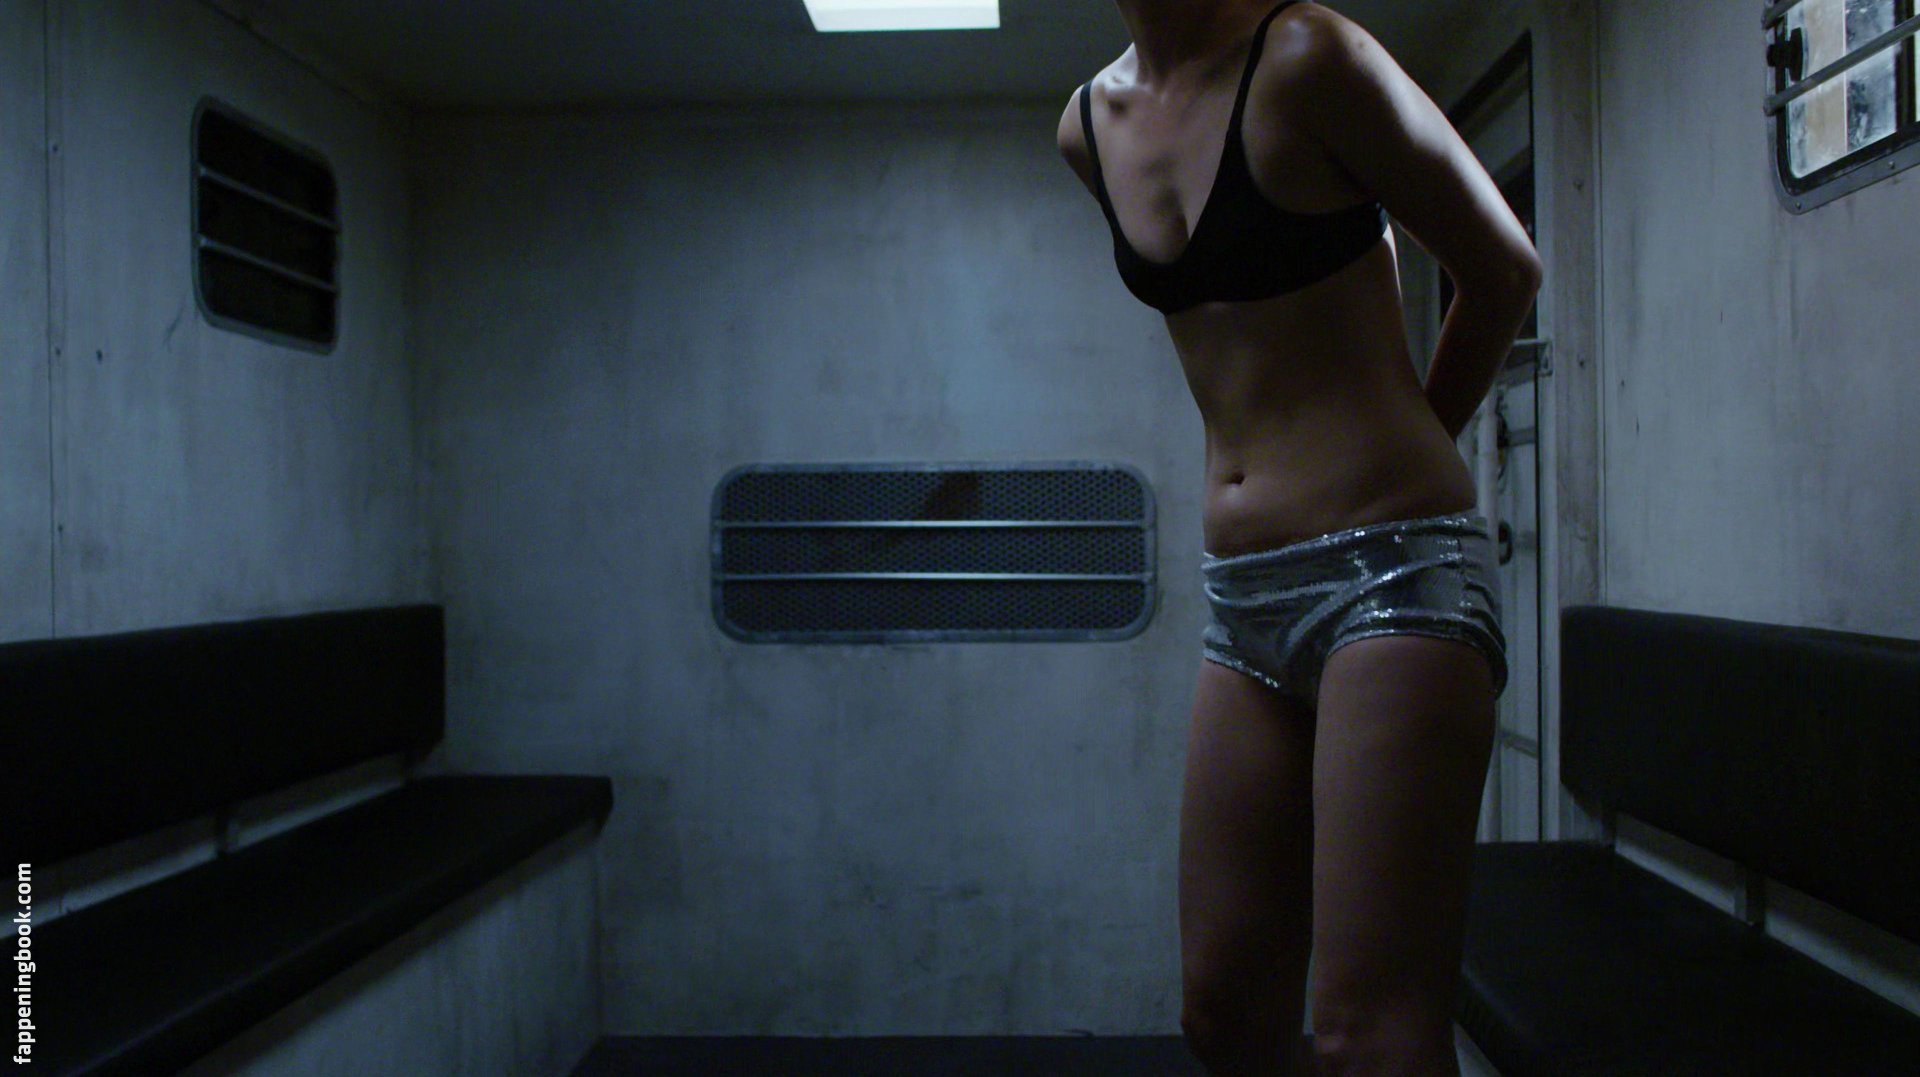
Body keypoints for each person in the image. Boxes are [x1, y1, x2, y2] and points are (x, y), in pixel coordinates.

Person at [1057, 2, 1541, 1074]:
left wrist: (1405, 460)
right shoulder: (1087, 125)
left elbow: (1505, 268)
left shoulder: (1308, 55)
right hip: (1242, 600)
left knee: (1371, 1034)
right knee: (1223, 1016)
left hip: (1395, 574)